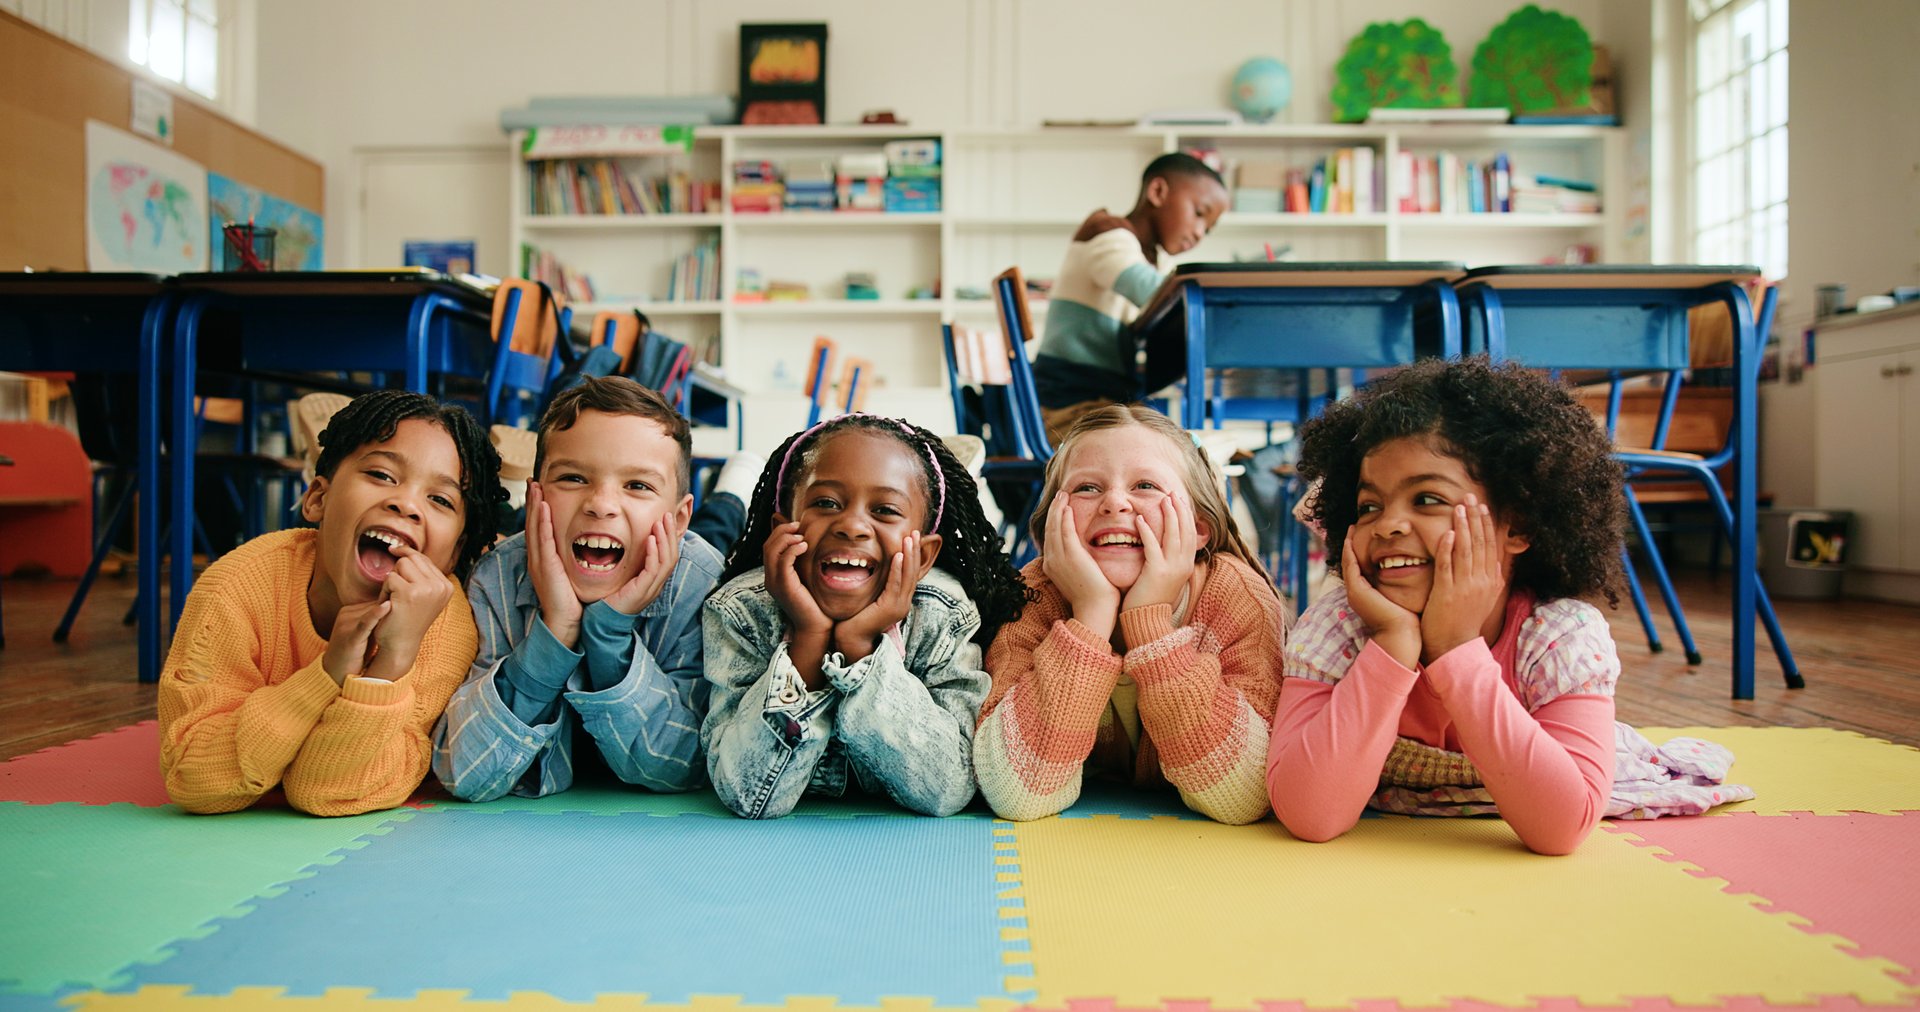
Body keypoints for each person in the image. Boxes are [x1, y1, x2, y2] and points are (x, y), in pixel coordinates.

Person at [1266, 357, 1754, 856]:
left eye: (1428, 499)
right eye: (1370, 506)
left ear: (1516, 526)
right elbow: (1311, 814)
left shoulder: (1558, 635)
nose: (1389, 524)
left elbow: (1561, 829)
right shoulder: (1339, 627)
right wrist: (1392, 645)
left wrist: (1456, 649)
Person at [158, 391, 501, 816]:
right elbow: (193, 778)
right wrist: (326, 674)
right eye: (381, 474)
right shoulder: (236, 587)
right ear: (317, 498)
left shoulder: (444, 627)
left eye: (441, 499)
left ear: (452, 554)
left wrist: (392, 660)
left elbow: (326, 790)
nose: (407, 504)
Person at [701, 414, 1030, 818]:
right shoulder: (740, 611)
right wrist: (807, 640)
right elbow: (746, 794)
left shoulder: (943, 614)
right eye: (826, 503)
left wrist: (859, 649)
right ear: (781, 530)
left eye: (885, 510)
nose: (853, 525)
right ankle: (731, 490)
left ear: (924, 556)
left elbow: (947, 788)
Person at [975, 405, 1287, 825]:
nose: (1114, 503)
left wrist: (1150, 624)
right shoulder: (1034, 597)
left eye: (1144, 485)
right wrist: (1091, 615)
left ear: (1198, 527)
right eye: (1086, 488)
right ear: (1052, 523)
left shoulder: (1236, 596)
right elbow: (1017, 793)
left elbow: (1246, 796)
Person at [433, 377, 729, 801]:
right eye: (573, 478)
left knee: (725, 525)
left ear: (679, 520)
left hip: (688, 545)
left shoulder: (702, 587)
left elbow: (683, 766)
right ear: (536, 499)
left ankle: (732, 490)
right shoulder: (494, 580)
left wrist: (609, 635)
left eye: (637, 485)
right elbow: (465, 771)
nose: (601, 503)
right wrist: (554, 631)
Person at [1031, 153, 1229, 442]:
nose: (1200, 233)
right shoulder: (1106, 232)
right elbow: (1154, 292)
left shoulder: (1146, 255)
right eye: (1199, 213)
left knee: (1180, 447)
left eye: (1208, 230)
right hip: (1066, 405)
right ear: (1158, 192)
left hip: (1094, 400)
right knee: (1173, 449)